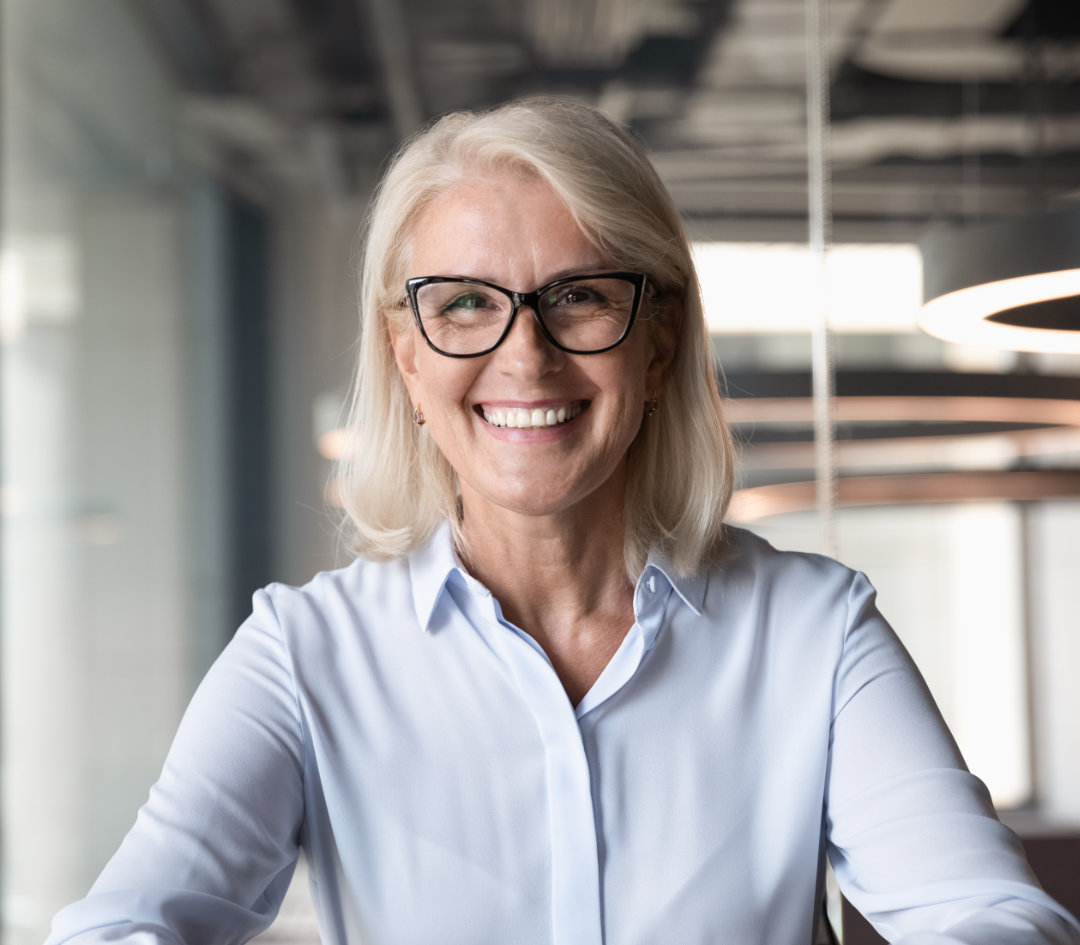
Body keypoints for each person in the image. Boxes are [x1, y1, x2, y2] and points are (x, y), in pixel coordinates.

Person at [48, 98, 1079, 945]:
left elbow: (993, 919)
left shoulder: (815, 632)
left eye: (578, 296)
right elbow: (121, 929)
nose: (525, 358)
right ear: (406, 354)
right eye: (463, 304)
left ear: (660, 340)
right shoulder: (304, 657)